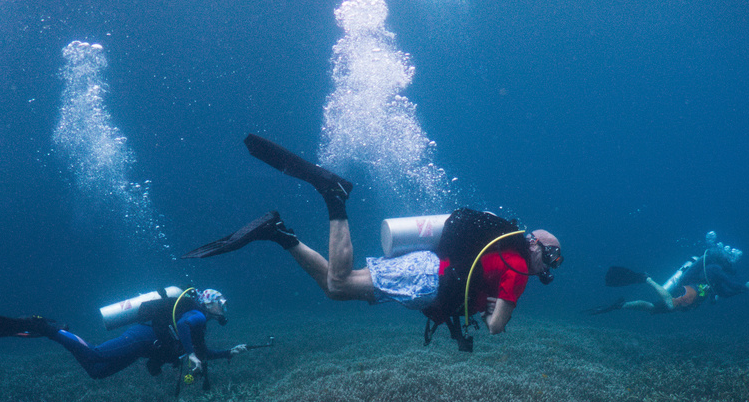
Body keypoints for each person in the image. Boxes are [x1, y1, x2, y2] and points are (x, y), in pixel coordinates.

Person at [183, 134, 563, 350]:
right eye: (551, 257)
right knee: (339, 282)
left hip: (427, 274)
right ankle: (333, 195)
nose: (550, 266)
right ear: (534, 246)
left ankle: (278, 233)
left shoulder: (503, 248)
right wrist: (493, 312)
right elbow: (496, 327)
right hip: (427, 280)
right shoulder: (516, 271)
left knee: (335, 291)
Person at [0, 288, 248, 382]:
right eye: (220, 303)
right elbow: (184, 329)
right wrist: (194, 355)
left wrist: (228, 353)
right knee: (96, 355)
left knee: (97, 372)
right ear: (209, 302)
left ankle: (60, 332)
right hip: (142, 337)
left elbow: (202, 351)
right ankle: (46, 327)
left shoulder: (200, 318)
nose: (223, 307)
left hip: (145, 345)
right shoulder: (196, 314)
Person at [588, 232, 749, 315]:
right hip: (689, 289)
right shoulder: (714, 269)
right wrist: (745, 287)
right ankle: (647, 279)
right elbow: (730, 284)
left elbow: (725, 293)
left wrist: (740, 289)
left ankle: (620, 305)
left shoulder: (713, 272)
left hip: (691, 294)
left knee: (653, 308)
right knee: (670, 304)